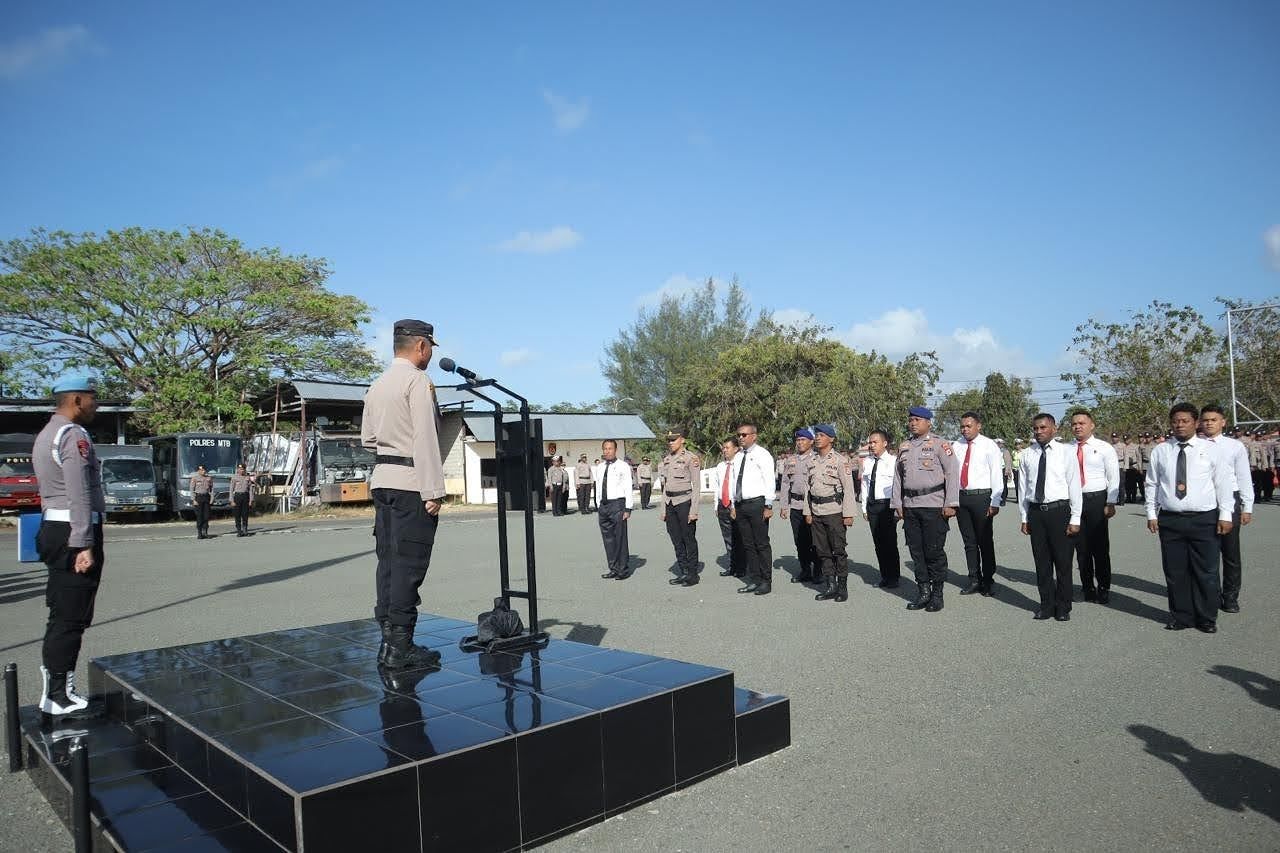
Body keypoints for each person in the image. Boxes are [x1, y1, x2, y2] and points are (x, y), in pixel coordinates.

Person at [361, 318, 446, 669]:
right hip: (411, 482)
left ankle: (388, 639)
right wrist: (433, 490)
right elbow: (426, 438)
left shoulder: (377, 384)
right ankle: (400, 647)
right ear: (421, 346)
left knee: (389, 562)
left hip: (382, 479)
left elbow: (368, 439)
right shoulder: (418, 381)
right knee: (410, 564)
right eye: (429, 348)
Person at [32, 374, 105, 716]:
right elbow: (78, 491)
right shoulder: (73, 434)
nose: (96, 404)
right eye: (92, 397)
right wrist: (83, 542)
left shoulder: (50, 431)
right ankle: (58, 695)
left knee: (63, 610)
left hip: (55, 527)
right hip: (72, 531)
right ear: (76, 399)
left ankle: (58, 688)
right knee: (71, 615)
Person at [1145, 403, 1234, 633]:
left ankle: (1206, 617)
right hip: (1171, 520)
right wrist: (1151, 513)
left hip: (1204, 518)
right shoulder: (1161, 451)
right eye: (1176, 421)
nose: (1180, 424)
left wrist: (1225, 515)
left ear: (1196, 423)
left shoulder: (1211, 449)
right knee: (1175, 572)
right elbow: (1152, 483)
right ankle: (1181, 616)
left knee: (1206, 571)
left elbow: (1222, 484)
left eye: (1185, 420)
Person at [891, 406, 959, 612]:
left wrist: (951, 503)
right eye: (911, 419)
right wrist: (897, 505)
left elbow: (952, 473)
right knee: (916, 552)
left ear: (929, 422)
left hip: (934, 505)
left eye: (918, 419)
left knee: (933, 551)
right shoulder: (904, 447)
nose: (913, 423)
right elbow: (897, 478)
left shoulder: (940, 444)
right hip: (910, 506)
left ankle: (937, 594)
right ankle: (923, 592)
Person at [1018, 413, 1082, 621]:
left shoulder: (1066, 452)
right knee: (1042, 562)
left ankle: (1063, 607)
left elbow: (1074, 486)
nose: (1039, 432)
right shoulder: (1028, 454)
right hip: (1037, 513)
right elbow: (1023, 488)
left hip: (1059, 511)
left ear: (1054, 428)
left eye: (1043, 428)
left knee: (1063, 562)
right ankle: (1046, 605)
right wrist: (1024, 517)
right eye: (1036, 429)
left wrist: (1075, 518)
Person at [1198, 405, 1253, 614]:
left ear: (1223, 422)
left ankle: (1230, 596)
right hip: (1205, 502)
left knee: (1230, 552)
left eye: (1213, 419)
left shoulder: (1234, 446)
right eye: (1205, 420)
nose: (1209, 423)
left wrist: (1247, 506)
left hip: (1230, 499)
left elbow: (1243, 477)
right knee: (1205, 552)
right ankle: (1210, 593)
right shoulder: (1195, 445)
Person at [1069, 412, 1120, 604]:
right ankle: (1087, 586)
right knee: (1081, 548)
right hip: (1074, 501)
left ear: (1092, 425)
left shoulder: (1104, 448)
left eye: (1082, 423)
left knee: (1099, 547)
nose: (1077, 426)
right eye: (1074, 424)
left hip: (1096, 500)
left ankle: (1104, 586)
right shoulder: (1067, 449)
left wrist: (1111, 502)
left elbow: (1113, 476)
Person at [952, 412, 1003, 597]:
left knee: (984, 541)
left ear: (978, 426)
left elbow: (996, 473)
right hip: (961, 497)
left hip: (982, 497)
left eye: (969, 426)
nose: (965, 429)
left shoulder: (989, 445)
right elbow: (951, 474)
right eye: (963, 426)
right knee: (969, 542)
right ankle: (974, 578)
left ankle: (988, 580)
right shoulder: (956, 445)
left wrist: (995, 501)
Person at [804, 424, 857, 602]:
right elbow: (807, 489)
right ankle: (830, 585)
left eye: (821, 435)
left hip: (835, 511)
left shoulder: (840, 461)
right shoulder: (811, 461)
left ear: (831, 439)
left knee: (838, 551)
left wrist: (848, 514)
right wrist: (807, 511)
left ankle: (842, 587)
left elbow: (849, 489)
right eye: (816, 435)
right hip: (817, 511)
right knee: (822, 551)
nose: (817, 438)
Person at [732, 422, 776, 596]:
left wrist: (768, 504)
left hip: (757, 504)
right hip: (741, 504)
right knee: (748, 544)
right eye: (739, 435)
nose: (741, 438)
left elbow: (769, 480)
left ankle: (766, 581)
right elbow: (735, 480)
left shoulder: (762, 454)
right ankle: (755, 579)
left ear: (754, 436)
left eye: (744, 434)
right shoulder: (737, 457)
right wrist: (734, 504)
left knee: (761, 544)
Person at [658, 427, 701, 586]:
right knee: (676, 539)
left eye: (674, 439)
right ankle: (683, 571)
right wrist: (663, 509)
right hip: (670, 503)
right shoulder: (666, 459)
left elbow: (696, 486)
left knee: (688, 539)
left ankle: (692, 574)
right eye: (669, 440)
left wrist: (694, 510)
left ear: (682, 440)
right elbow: (665, 486)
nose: (670, 443)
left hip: (684, 502)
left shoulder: (691, 458)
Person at [861, 429, 900, 588]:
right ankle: (885, 576)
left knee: (890, 542)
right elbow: (865, 485)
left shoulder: (894, 462)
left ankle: (894, 577)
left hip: (888, 505)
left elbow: (899, 486)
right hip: (872, 505)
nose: (871, 445)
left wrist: (898, 507)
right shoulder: (868, 462)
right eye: (870, 442)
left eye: (875, 442)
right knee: (878, 542)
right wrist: (864, 507)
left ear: (885, 443)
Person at [779, 427, 818, 583]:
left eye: (803, 440)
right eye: (797, 440)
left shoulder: (816, 459)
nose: (800, 443)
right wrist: (784, 505)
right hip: (796, 505)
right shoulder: (791, 460)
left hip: (813, 505)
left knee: (815, 540)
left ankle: (819, 571)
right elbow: (785, 483)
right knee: (799, 540)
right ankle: (805, 570)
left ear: (811, 442)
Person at [594, 439, 634, 579]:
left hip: (618, 504)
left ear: (615, 450)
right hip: (604, 506)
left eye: (610, 448)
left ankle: (623, 569)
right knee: (608, 539)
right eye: (605, 448)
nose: (607, 451)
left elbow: (628, 487)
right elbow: (598, 486)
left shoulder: (623, 466)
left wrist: (628, 508)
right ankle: (613, 568)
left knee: (620, 538)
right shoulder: (599, 467)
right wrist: (598, 504)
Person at [711, 437, 746, 577]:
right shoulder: (720, 466)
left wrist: (734, 505)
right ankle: (733, 566)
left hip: (736, 504)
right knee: (728, 537)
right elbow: (718, 487)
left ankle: (742, 567)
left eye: (727, 447)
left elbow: (738, 487)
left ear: (736, 448)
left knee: (740, 537)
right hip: (722, 504)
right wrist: (716, 505)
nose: (724, 450)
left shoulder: (740, 464)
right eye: (723, 448)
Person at [230, 463, 254, 536]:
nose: (241, 470)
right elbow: (231, 489)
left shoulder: (247, 477)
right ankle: (239, 531)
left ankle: (245, 530)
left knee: (245, 514)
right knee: (237, 515)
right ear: (237, 469)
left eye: (243, 469)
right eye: (240, 469)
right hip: (237, 496)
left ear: (245, 470)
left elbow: (250, 490)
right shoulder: (234, 478)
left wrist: (251, 500)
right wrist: (231, 500)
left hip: (245, 497)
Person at [190, 464, 214, 539]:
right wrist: (193, 500)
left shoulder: (209, 478)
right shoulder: (194, 478)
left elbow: (212, 489)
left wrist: (212, 499)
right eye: (201, 470)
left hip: (206, 497)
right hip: (198, 498)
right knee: (199, 516)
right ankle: (199, 533)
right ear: (198, 471)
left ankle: (205, 532)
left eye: (203, 470)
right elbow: (191, 490)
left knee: (206, 516)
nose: (203, 471)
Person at [998, 438, 1013, 503]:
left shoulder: (1005, 451)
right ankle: (999, 497)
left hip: (1003, 469)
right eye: (998, 443)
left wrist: (1008, 470)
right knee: (998, 485)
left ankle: (1003, 499)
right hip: (997, 470)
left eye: (1000, 443)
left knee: (1004, 485)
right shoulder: (995, 451)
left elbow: (1008, 462)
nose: (999, 444)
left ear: (1003, 444)